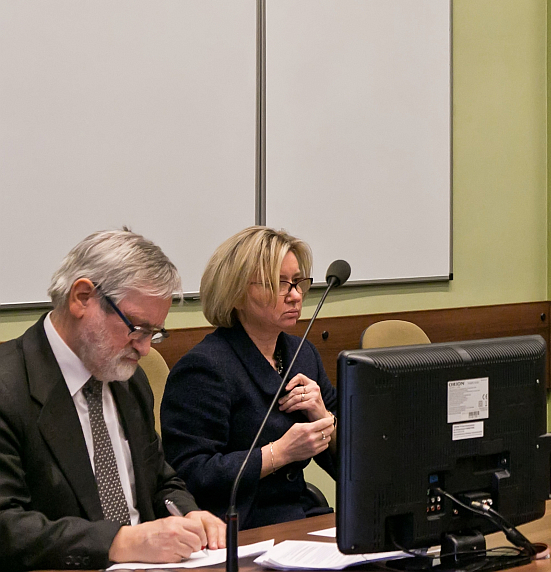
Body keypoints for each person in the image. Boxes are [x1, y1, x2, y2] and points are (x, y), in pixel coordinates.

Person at [0, 230, 225, 571]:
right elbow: (7, 525)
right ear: (82, 298)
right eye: (136, 327)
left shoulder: (129, 380)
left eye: (154, 333)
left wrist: (188, 514)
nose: (144, 348)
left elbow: (160, 480)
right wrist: (119, 542)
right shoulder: (9, 387)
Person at [160, 227, 336, 529]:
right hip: (239, 527)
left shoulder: (302, 353)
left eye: (298, 283)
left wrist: (324, 418)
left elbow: (351, 467)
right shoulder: (204, 367)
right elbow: (190, 475)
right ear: (237, 293)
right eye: (280, 284)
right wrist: (279, 453)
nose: (296, 296)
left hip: (301, 516)